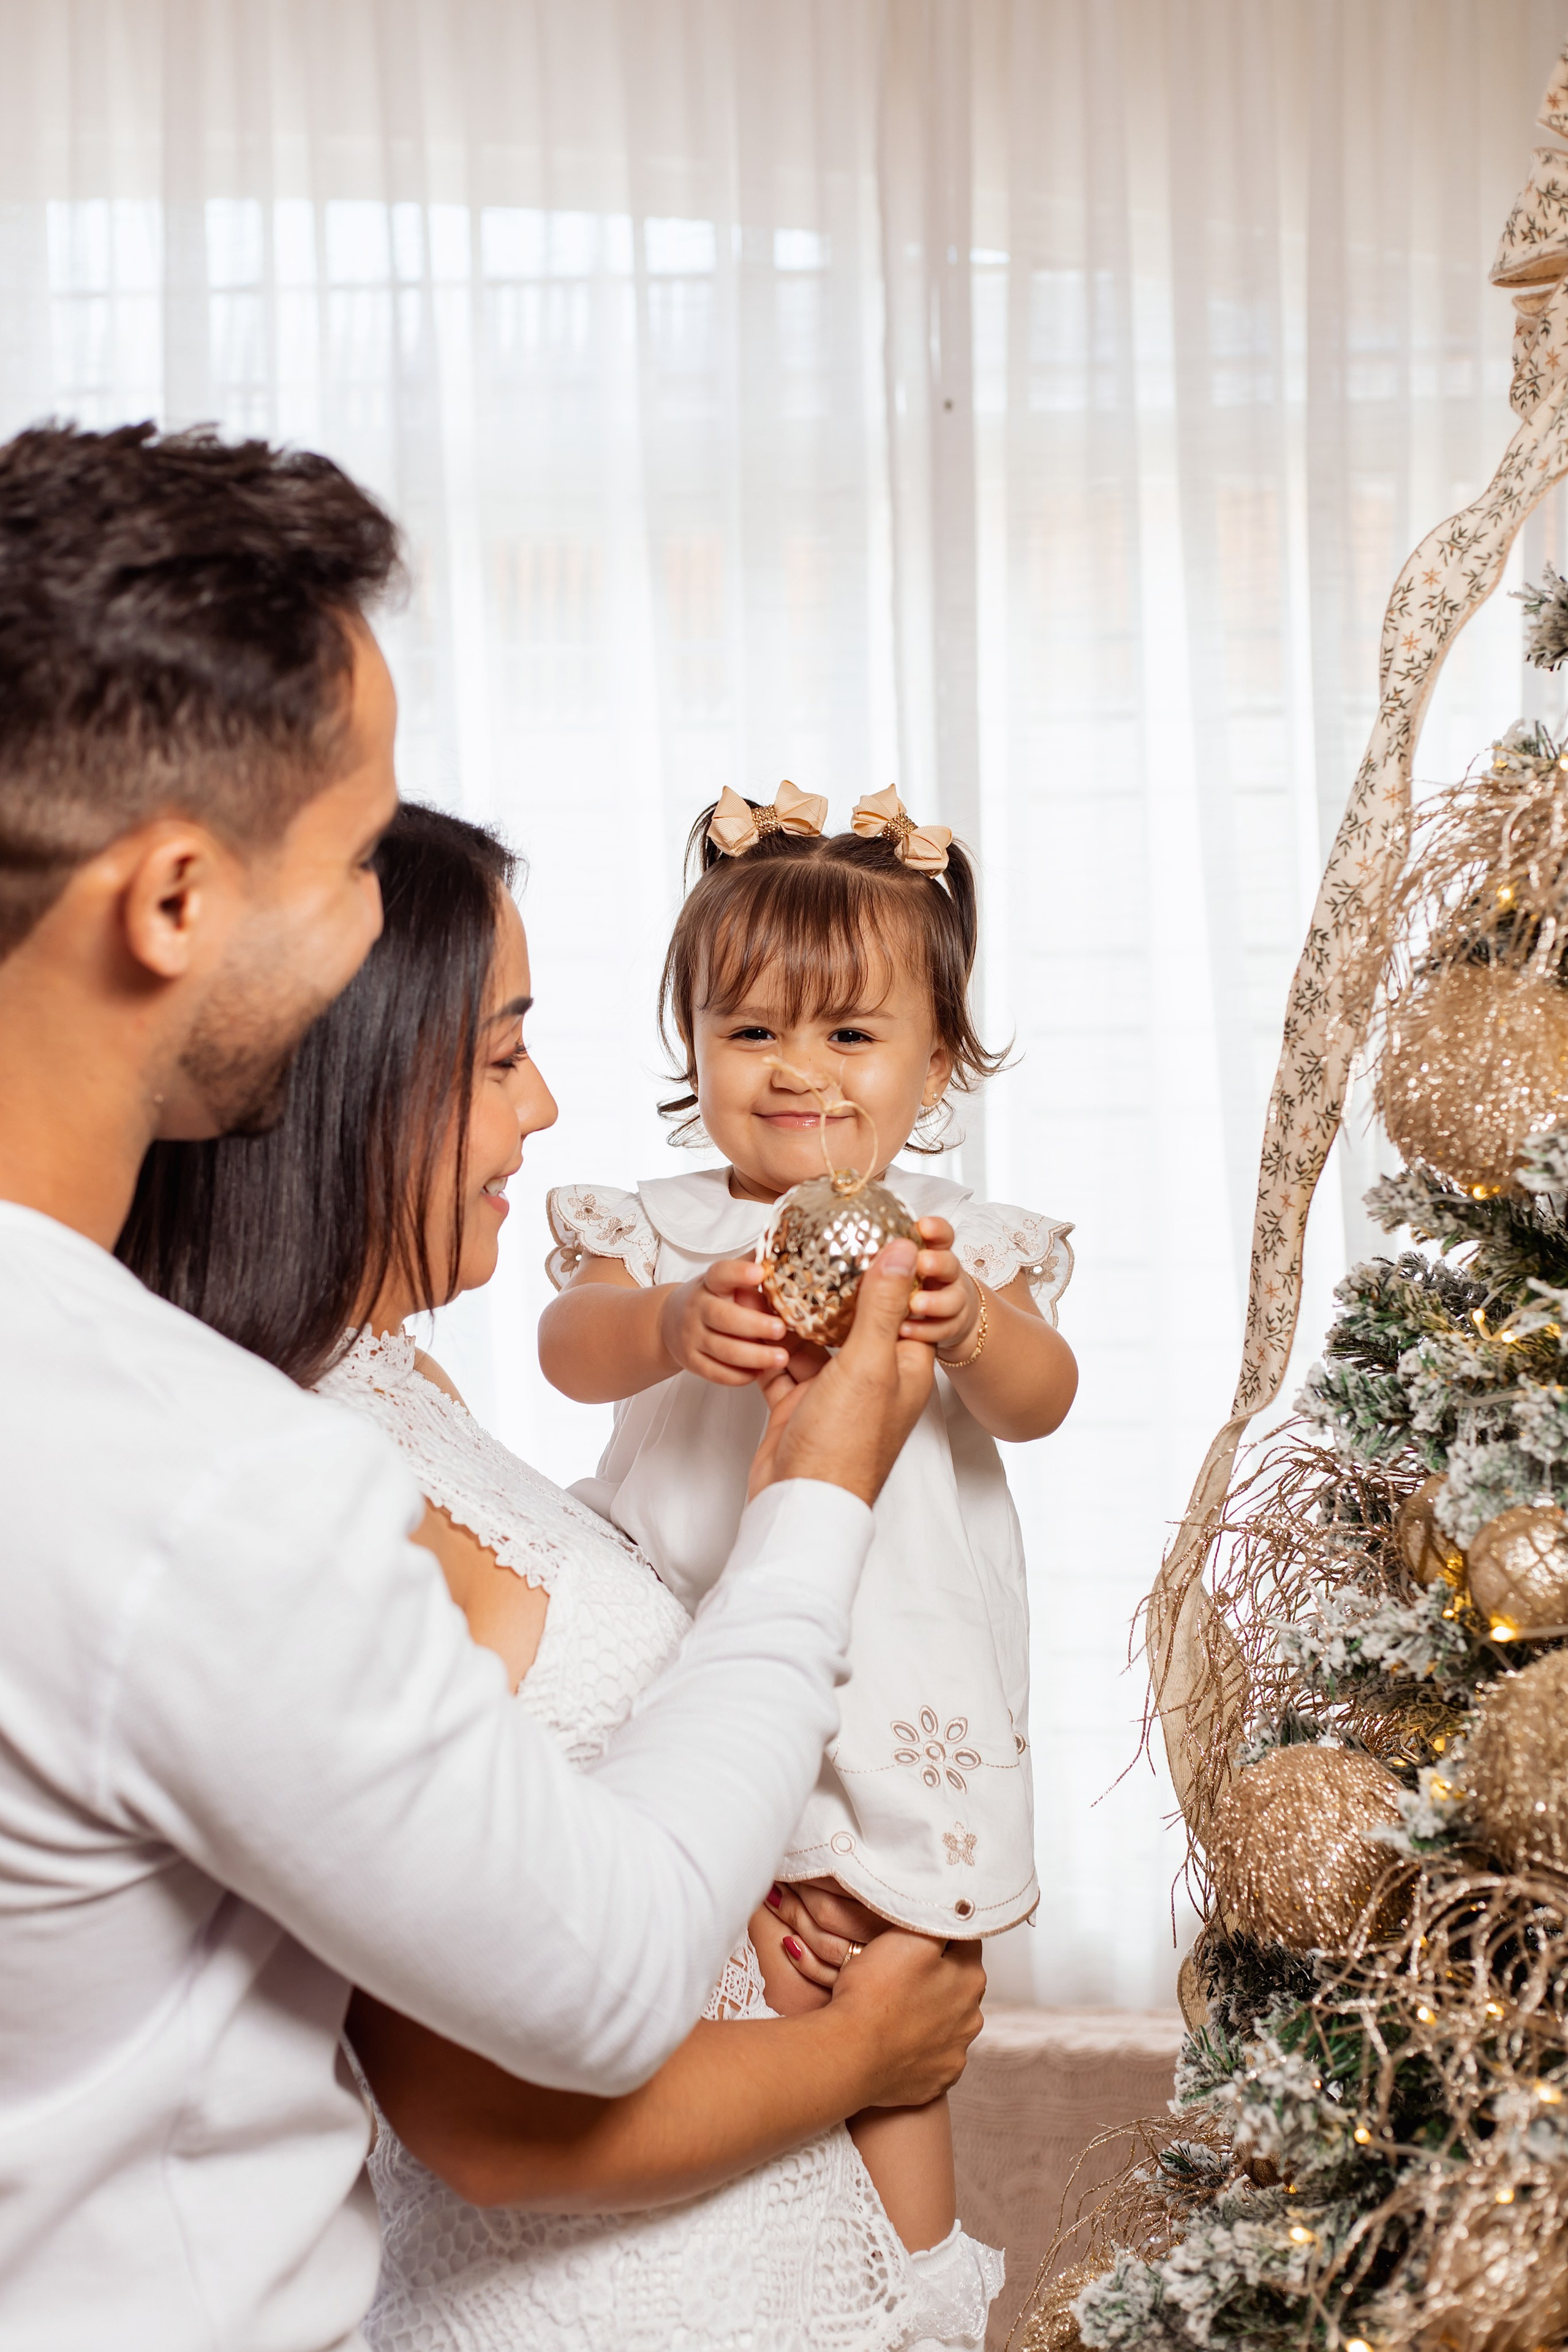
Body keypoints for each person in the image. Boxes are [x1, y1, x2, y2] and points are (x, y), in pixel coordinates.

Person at [0, 423, 980, 2352]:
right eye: (360, 854)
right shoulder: (207, 1472)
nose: (383, 909)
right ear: (175, 899)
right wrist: (819, 1481)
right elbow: (584, 2002)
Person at [124, 798, 997, 2350]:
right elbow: (492, 2116)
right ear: (355, 1085)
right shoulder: (301, 1477)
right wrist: (867, 2053)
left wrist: (752, 1939)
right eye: (500, 1055)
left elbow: (570, 1831)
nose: (545, 1111)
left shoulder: (395, 1387)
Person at [538, 785, 1079, 2292]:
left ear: (937, 1062)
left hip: (898, 1685)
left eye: (849, 1037)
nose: (796, 1072)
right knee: (721, 1984)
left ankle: (912, 2302)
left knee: (892, 2007)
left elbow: (1040, 1399)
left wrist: (968, 1325)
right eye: (750, 1029)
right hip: (689, 1658)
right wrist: (661, 1320)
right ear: (694, 1045)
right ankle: (731, 2279)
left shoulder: (956, 1242)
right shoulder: (655, 1226)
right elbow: (564, 1349)